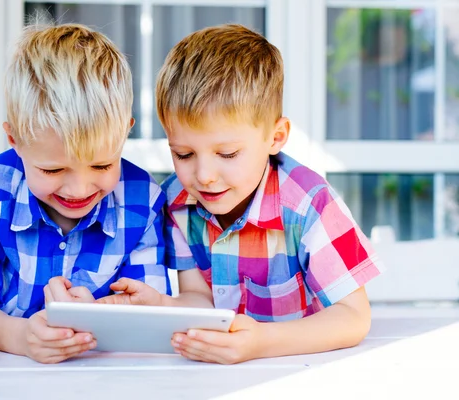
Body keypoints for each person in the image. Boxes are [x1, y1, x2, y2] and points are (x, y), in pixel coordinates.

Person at [99, 24, 384, 364]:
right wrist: (164, 306)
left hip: (305, 369)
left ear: (275, 137)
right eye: (184, 154)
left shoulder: (309, 204)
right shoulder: (178, 204)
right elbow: (199, 298)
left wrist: (261, 342)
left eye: (228, 154)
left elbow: (353, 317)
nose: (203, 176)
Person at [0, 23, 170, 364]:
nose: (79, 189)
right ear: (14, 139)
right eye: (53, 170)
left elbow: (148, 309)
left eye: (102, 165)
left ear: (124, 134)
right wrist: (20, 337)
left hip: (107, 377)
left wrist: (97, 318)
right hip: (4, 374)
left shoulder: (144, 201)